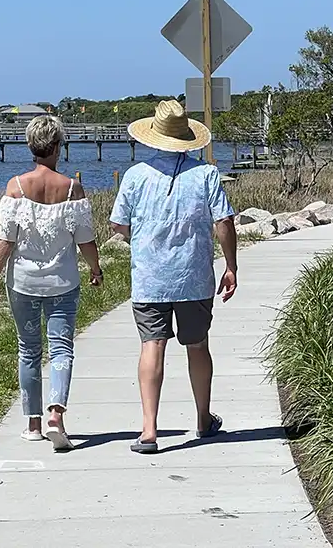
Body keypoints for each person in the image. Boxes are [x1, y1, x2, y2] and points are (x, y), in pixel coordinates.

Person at [109, 100, 237, 454]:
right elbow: (223, 222)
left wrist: (144, 240)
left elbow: (119, 224)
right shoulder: (206, 174)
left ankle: (149, 430)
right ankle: (202, 419)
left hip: (150, 277)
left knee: (152, 345)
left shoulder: (136, 176)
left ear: (153, 137)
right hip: (194, 276)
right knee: (197, 345)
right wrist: (231, 265)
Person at [0, 115, 103, 451]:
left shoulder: (15, 188)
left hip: (22, 281)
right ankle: (56, 414)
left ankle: (33, 424)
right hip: (63, 282)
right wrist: (95, 269)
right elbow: (85, 239)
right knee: (62, 348)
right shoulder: (72, 188)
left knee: (29, 350)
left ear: (31, 146)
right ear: (57, 147)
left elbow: (5, 239)